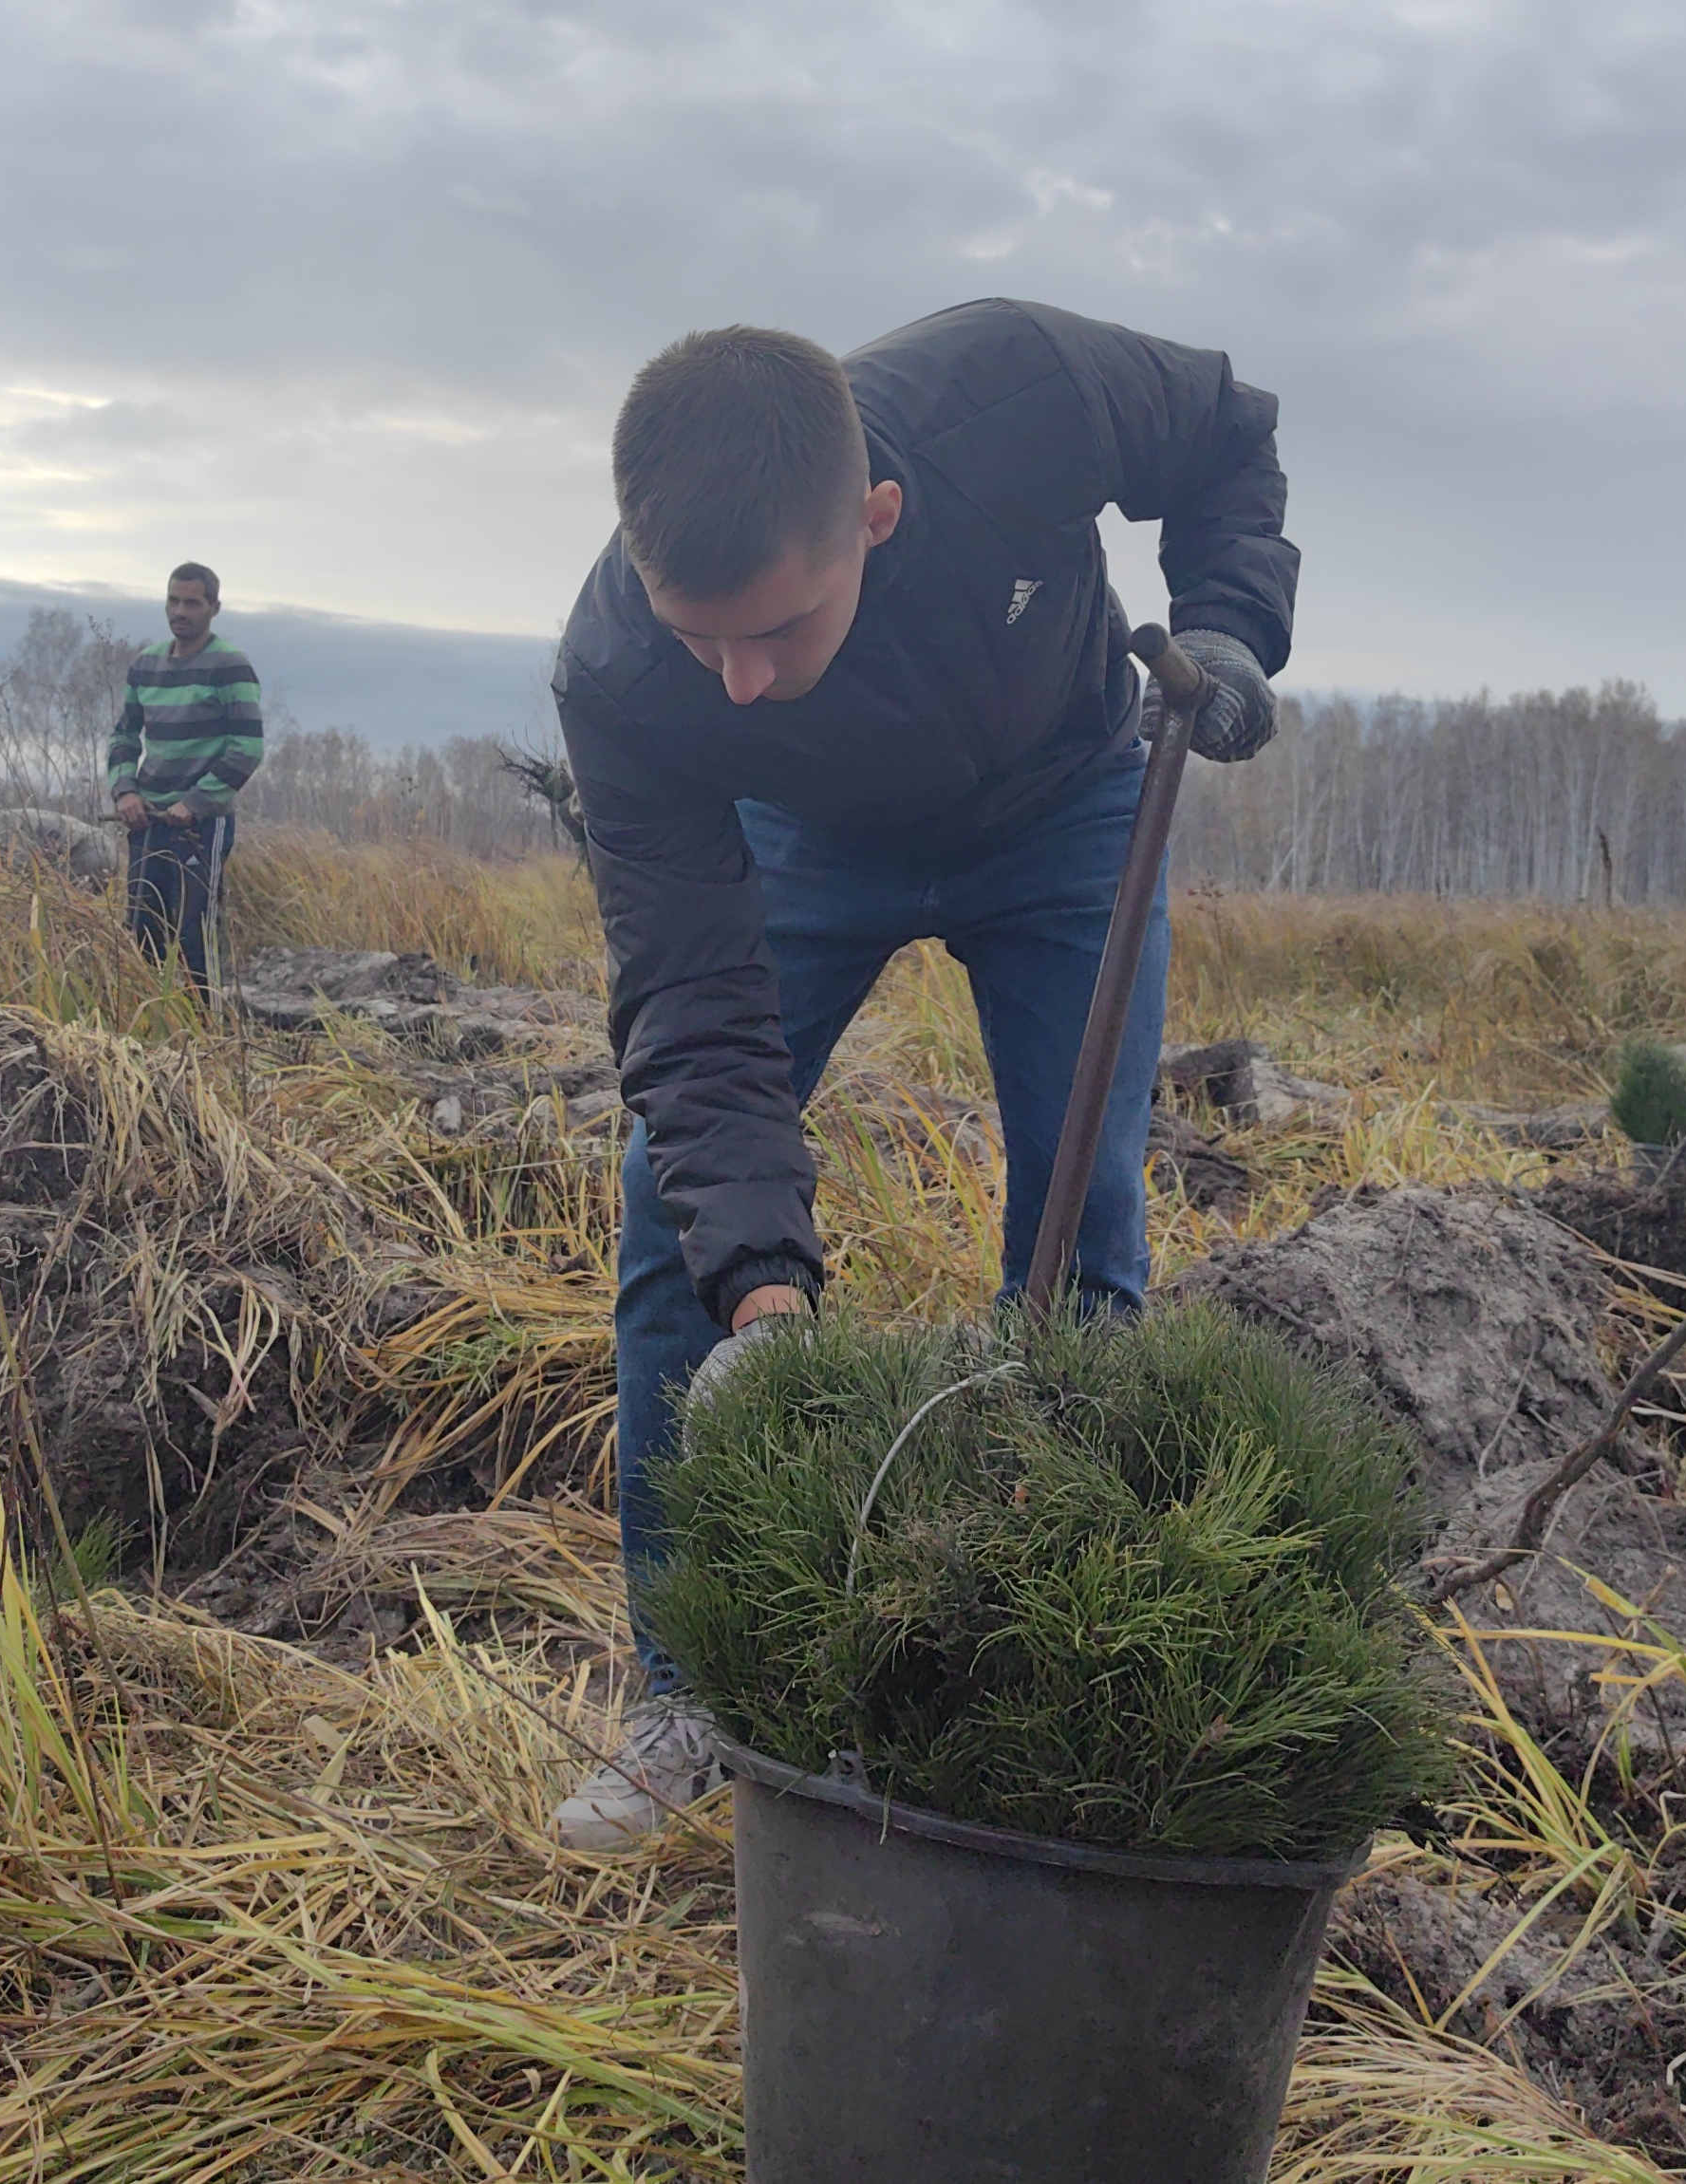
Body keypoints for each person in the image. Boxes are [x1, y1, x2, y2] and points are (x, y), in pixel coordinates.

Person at [547, 301, 1294, 1848]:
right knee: (665, 1223)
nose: (735, 681)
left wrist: (1224, 617)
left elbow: (1226, 427)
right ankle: (687, 1689)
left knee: (1078, 1221)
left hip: (1067, 810)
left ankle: (1044, 1663)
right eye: (704, 641)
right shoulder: (626, 673)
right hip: (807, 848)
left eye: (774, 631)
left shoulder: (1015, 390)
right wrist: (762, 1294)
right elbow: (689, 1002)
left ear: (876, 520)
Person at [109, 562, 264, 999]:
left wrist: (195, 803)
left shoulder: (229, 666)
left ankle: (209, 1031)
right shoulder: (145, 665)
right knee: (142, 931)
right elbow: (123, 734)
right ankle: (153, 1030)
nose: (181, 611)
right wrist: (125, 791)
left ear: (213, 607)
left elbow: (247, 747)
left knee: (196, 935)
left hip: (201, 825)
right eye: (174, 600)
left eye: (192, 603)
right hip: (146, 821)